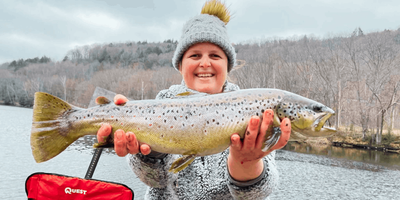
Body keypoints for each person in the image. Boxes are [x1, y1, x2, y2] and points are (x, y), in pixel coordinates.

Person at [97, 0, 291, 199]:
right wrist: (151, 154)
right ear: (180, 66)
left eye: (215, 56)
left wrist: (247, 164)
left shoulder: (255, 109)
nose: (205, 63)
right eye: (195, 55)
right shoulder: (161, 103)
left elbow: (256, 194)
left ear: (227, 66)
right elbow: (155, 181)